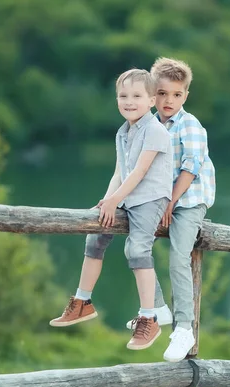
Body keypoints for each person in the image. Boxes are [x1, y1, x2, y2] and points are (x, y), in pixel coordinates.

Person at [50, 69, 173, 351]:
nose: (129, 101)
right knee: (95, 235)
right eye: (123, 96)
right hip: (128, 197)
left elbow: (140, 172)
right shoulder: (124, 132)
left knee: (138, 250)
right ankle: (83, 301)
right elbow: (120, 171)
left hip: (150, 198)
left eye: (137, 96)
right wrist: (107, 200)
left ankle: (149, 316)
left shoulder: (155, 130)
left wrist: (117, 198)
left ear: (152, 100)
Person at [126, 57, 216, 362]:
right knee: (136, 243)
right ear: (153, 93)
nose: (168, 101)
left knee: (179, 256)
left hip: (188, 199)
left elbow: (190, 170)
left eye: (176, 95)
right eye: (162, 93)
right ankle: (156, 310)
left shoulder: (190, 126)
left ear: (186, 96)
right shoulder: (147, 124)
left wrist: (171, 202)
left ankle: (183, 328)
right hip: (163, 198)